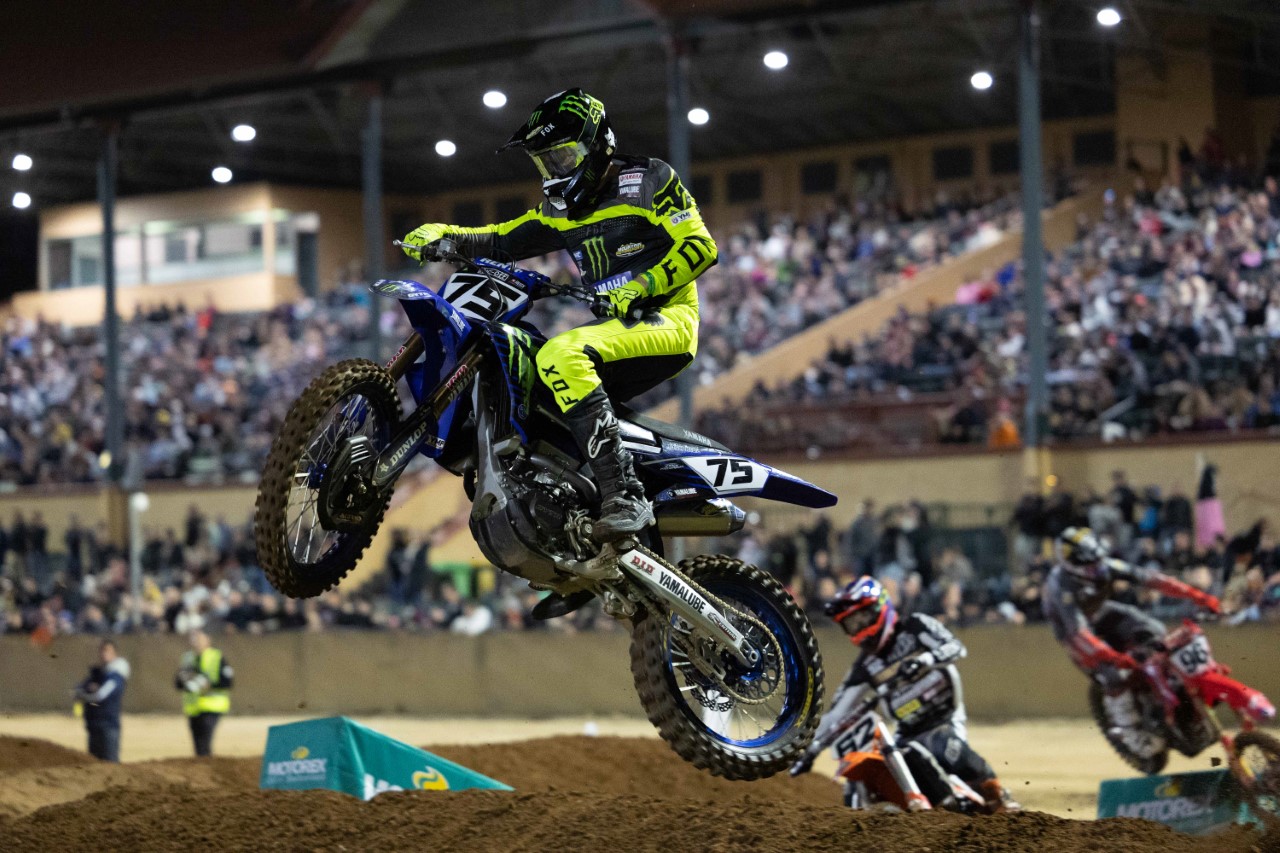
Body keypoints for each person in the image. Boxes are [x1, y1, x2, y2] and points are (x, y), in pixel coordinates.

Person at [401, 88, 717, 552]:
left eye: (565, 156)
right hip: (620, 331)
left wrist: (640, 287)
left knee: (561, 353)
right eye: (547, 162)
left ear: (598, 144)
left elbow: (701, 247)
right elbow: (503, 238)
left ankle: (625, 495)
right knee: (522, 364)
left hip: (667, 319)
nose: (557, 170)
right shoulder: (559, 211)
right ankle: (562, 499)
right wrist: (446, 234)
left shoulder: (648, 178)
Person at [789, 576, 1018, 813]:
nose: (858, 629)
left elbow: (955, 648)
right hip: (907, 734)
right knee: (877, 770)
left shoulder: (916, 627)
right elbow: (836, 714)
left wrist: (924, 660)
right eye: (850, 624)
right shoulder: (865, 666)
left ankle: (998, 794)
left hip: (944, 720)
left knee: (941, 746)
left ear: (879, 608)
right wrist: (803, 746)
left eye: (861, 619)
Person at [1042, 527, 1221, 760]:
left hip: (1099, 613)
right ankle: (1131, 732)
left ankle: (1173, 692)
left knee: (1154, 630)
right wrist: (1115, 658)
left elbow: (1153, 580)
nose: (1098, 569)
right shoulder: (1061, 588)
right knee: (1112, 675)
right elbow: (1080, 634)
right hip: (1074, 633)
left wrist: (1197, 596)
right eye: (1091, 566)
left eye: (1099, 561)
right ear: (1072, 565)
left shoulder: (1106, 565)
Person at [174, 629, 233, 756]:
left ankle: (208, 770)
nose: (197, 642)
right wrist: (185, 681)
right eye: (194, 639)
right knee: (198, 745)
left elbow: (227, 682)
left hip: (212, 706)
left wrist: (209, 685)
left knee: (204, 743)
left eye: (200, 638)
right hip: (193, 707)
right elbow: (178, 683)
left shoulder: (217, 656)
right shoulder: (187, 658)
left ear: (208, 640)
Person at [74, 639, 129, 762]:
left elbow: (101, 696)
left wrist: (86, 695)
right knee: (93, 765)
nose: (104, 654)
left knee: (110, 765)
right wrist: (84, 692)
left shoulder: (116, 676)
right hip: (93, 725)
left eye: (107, 651)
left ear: (115, 654)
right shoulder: (97, 674)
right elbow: (78, 690)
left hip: (108, 727)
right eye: (102, 651)